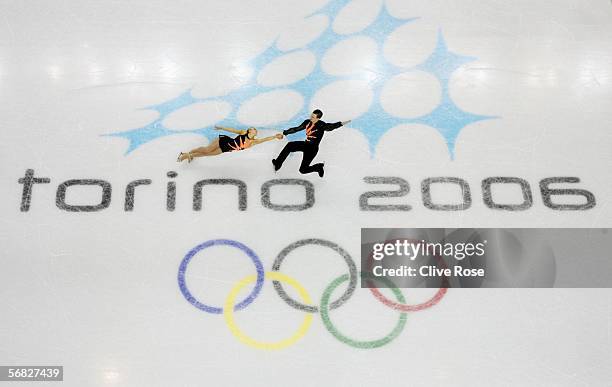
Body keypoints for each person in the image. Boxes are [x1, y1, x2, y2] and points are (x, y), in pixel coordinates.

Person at [272, 109, 351, 177]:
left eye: (313, 117)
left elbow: (331, 126)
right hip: (305, 144)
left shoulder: (321, 125)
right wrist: (285, 132)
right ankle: (277, 164)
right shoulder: (307, 122)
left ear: (318, 118)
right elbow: (296, 129)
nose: (311, 118)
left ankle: (318, 167)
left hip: (312, 149)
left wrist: (341, 123)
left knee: (303, 170)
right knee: (290, 145)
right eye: (311, 116)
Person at [177, 126, 283, 162]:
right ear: (249, 131)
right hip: (222, 141)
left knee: (206, 154)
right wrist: (222, 128)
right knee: (206, 150)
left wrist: (275, 136)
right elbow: (232, 130)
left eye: (254, 129)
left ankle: (188, 155)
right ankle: (186, 155)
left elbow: (265, 139)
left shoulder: (253, 142)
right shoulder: (243, 133)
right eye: (252, 129)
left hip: (224, 149)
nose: (254, 129)